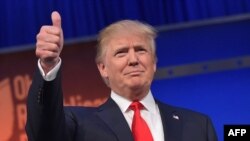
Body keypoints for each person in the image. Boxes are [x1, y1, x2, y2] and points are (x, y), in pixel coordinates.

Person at [26, 11, 218, 141]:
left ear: (154, 63)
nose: (133, 59)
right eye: (121, 52)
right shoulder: (78, 124)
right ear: (103, 68)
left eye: (141, 50)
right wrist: (48, 65)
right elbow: (43, 132)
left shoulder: (198, 125)